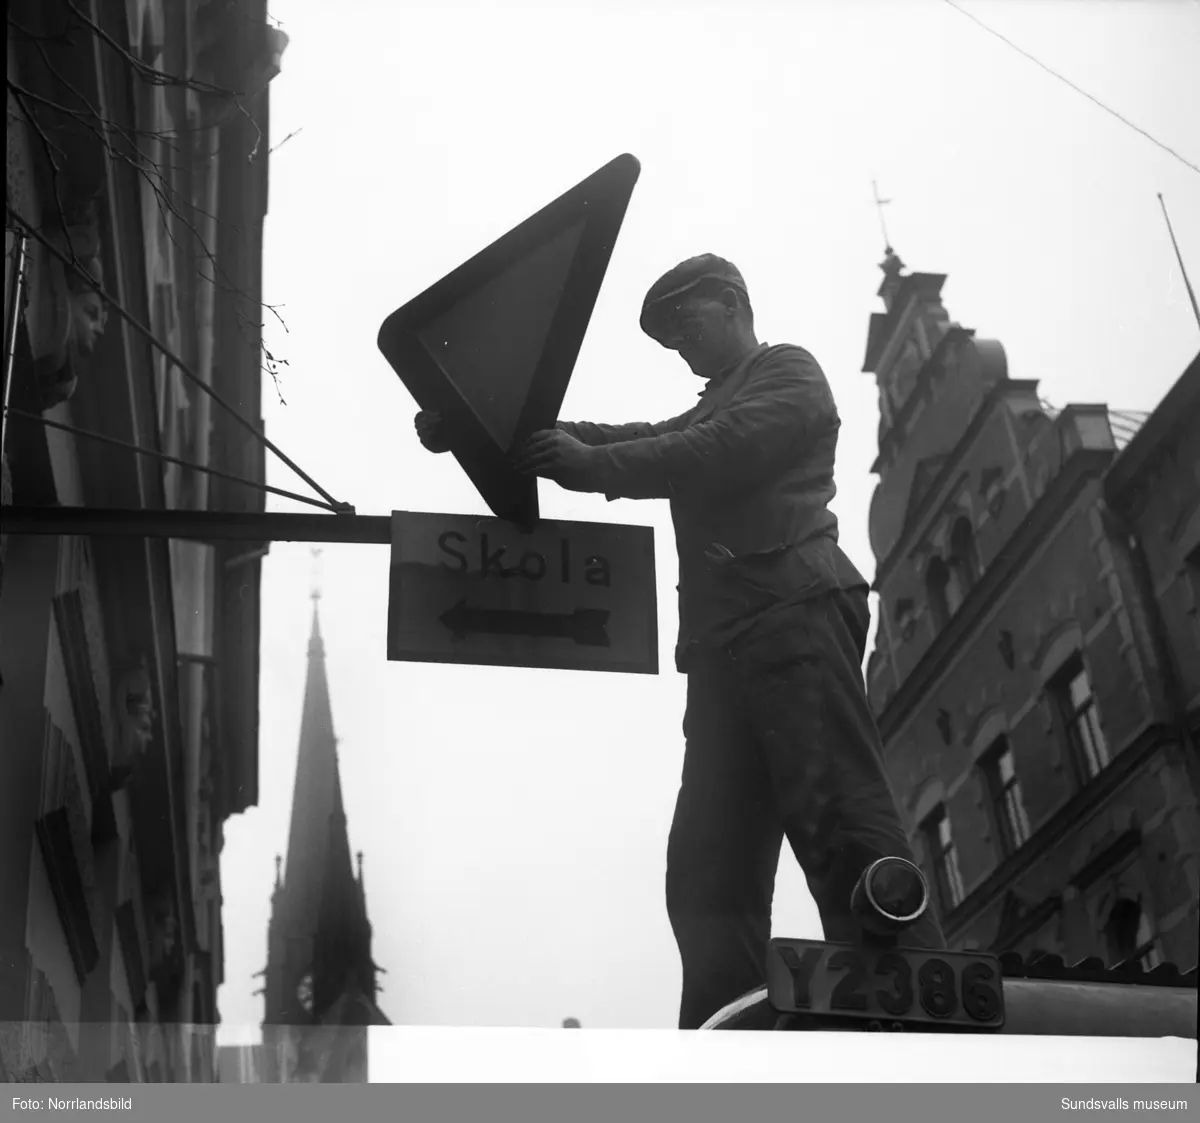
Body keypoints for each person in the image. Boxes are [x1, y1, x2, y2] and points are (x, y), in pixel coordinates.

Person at [414, 254, 946, 1029]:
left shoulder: (787, 373)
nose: (682, 348)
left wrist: (594, 466)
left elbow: (713, 450)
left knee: (839, 817)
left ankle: (918, 1007)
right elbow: (641, 435)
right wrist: (482, 427)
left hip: (794, 613)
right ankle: (722, 1034)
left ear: (732, 304)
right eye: (670, 341)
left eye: (687, 326)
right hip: (726, 649)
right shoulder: (711, 404)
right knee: (705, 868)